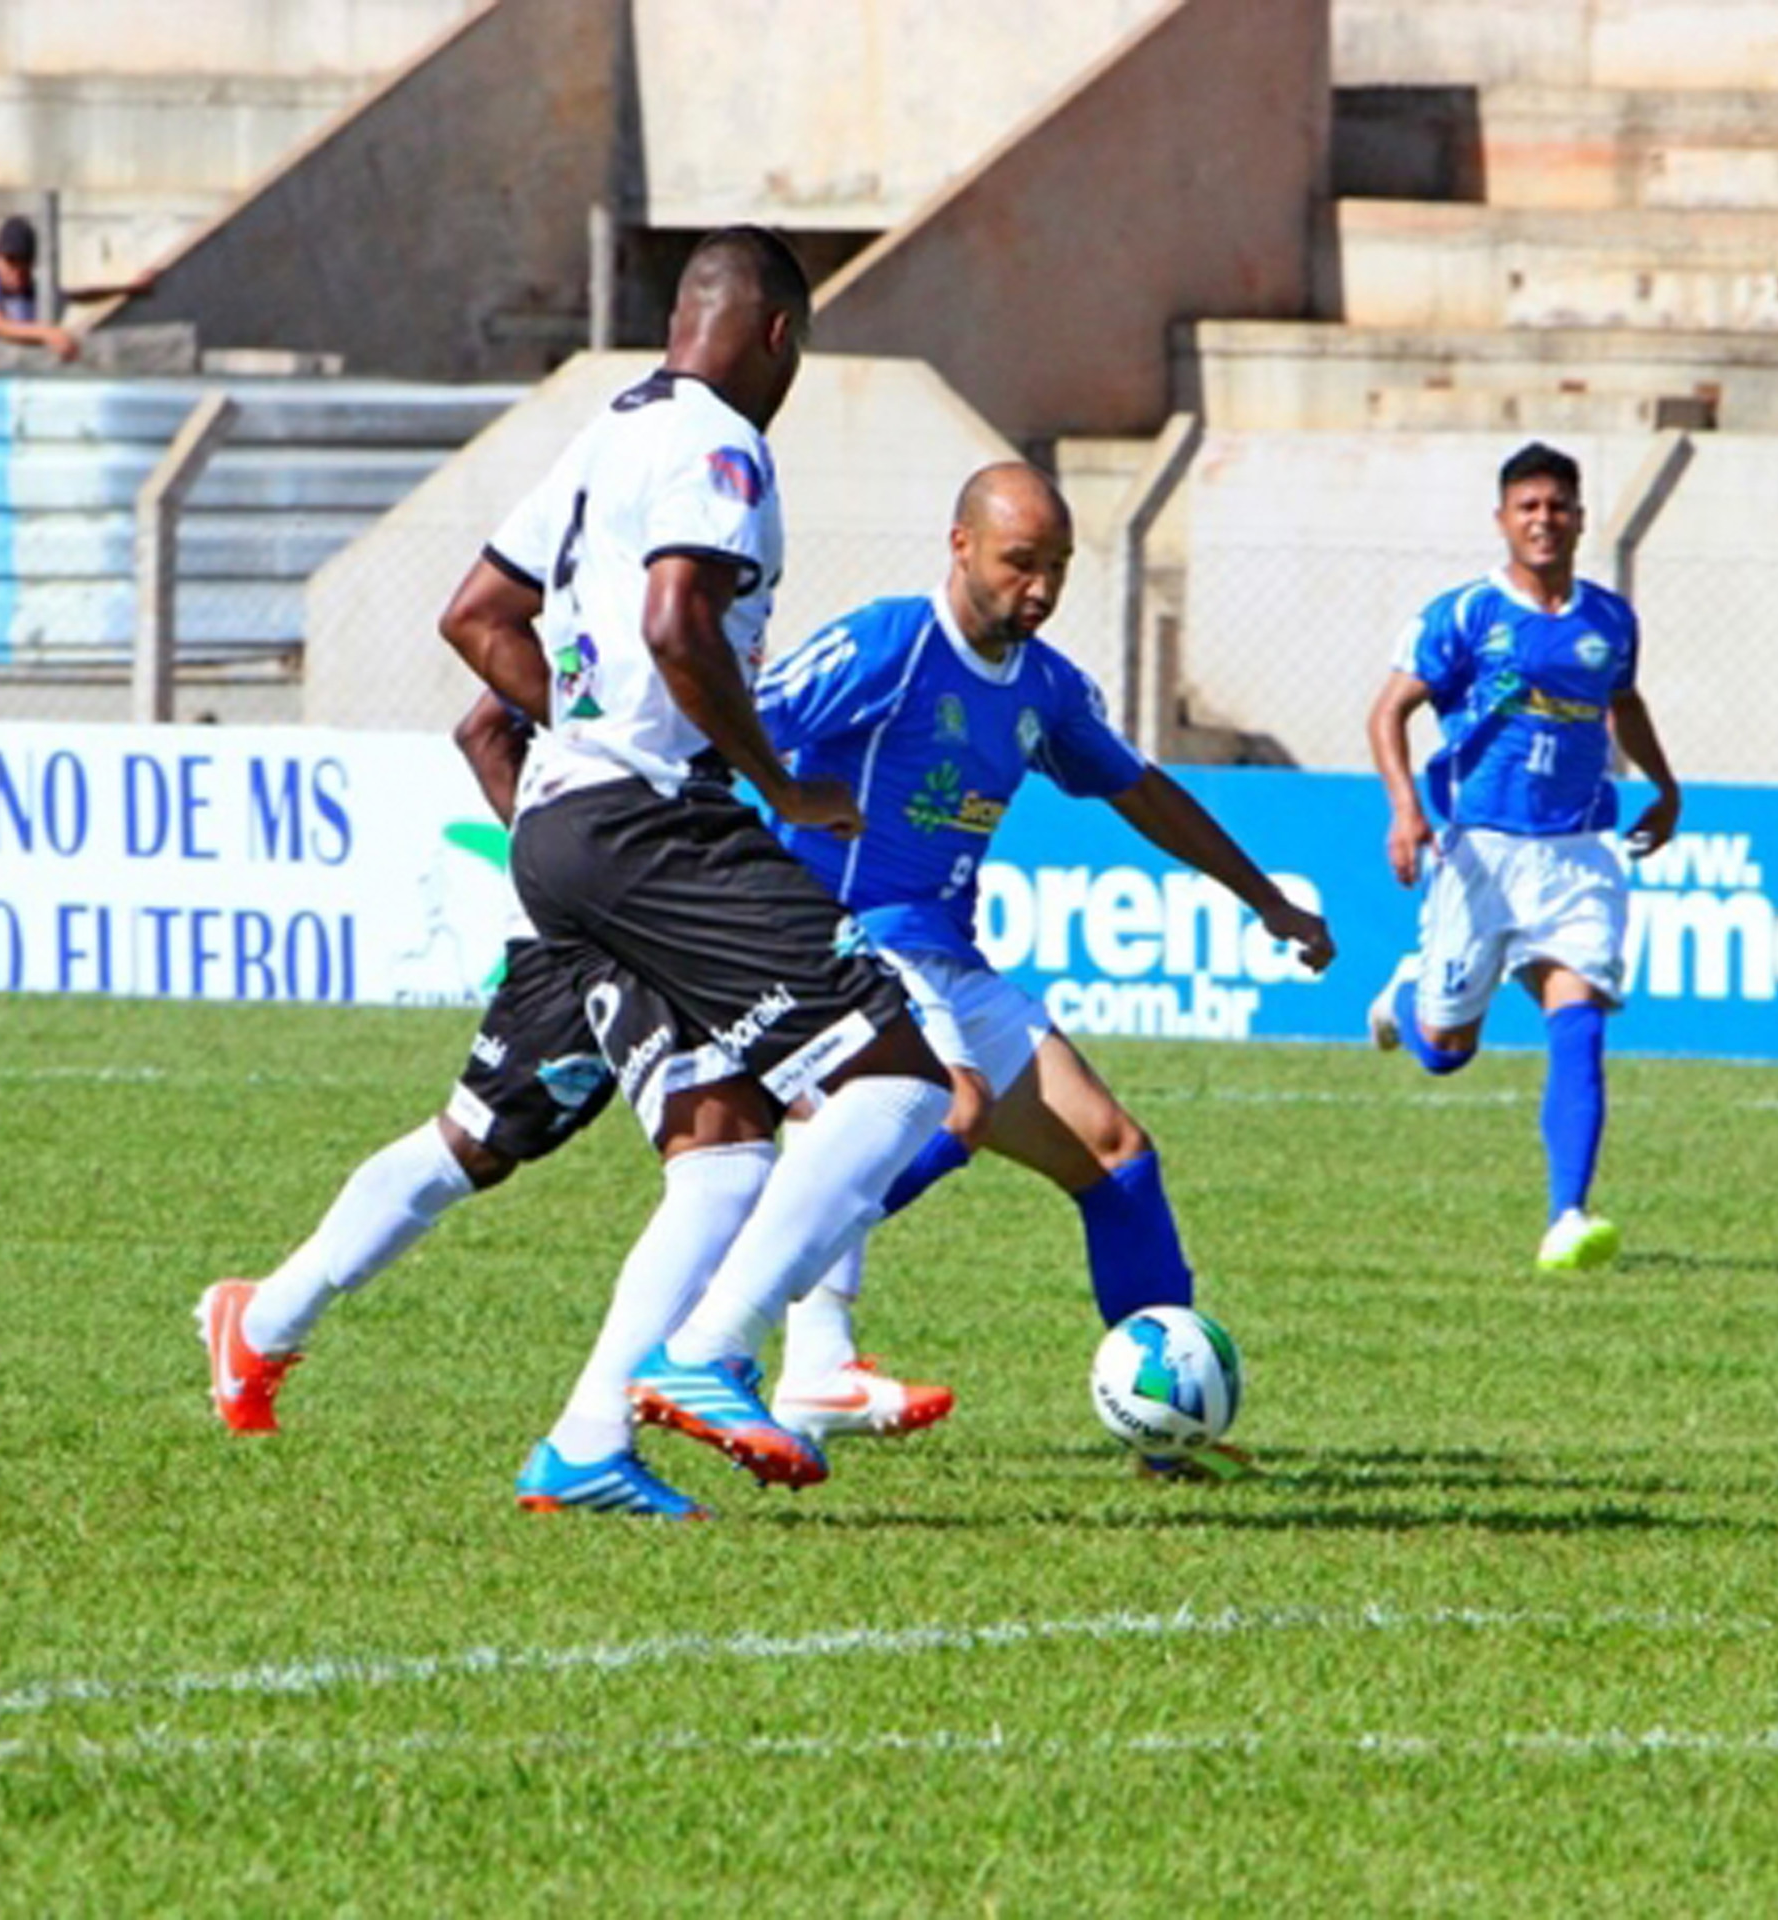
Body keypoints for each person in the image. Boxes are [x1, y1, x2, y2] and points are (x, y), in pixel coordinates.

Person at [437, 225, 953, 1515]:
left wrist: (584, 717)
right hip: (653, 825)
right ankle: (712, 1352)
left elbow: (473, 616)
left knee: (721, 1151)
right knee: (896, 1079)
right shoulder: (723, 440)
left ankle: (583, 1446)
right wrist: (775, 782)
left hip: (560, 827)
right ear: (778, 333)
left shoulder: (607, 431)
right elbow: (677, 623)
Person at [195, 697, 940, 1510]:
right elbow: (481, 723)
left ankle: (612, 1431)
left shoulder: (677, 620)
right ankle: (267, 1320)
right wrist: (578, 876)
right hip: (599, 906)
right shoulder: (634, 605)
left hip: (643, 898)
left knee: (743, 1148)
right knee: (485, 1141)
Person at [751, 462, 1335, 1478]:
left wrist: (1265, 898)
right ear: (960, 544)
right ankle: (756, 1302)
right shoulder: (887, 644)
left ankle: (1167, 1426)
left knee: (1115, 1153)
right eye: (1022, 562)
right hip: (842, 937)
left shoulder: (1046, 687)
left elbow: (1141, 793)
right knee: (952, 1111)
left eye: (1057, 566)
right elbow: (743, 728)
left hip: (944, 953)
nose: (1041, 588)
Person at [1362, 441, 1682, 1273]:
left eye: (1559, 506)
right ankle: (1406, 994)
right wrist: (1406, 810)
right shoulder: (1466, 615)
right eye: (1528, 506)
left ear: (1580, 517)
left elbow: (1624, 702)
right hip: (1481, 854)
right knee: (1443, 1050)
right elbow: (1388, 714)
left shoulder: (1610, 620)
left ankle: (1567, 1216)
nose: (1545, 520)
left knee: (1577, 1023)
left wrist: (1667, 786)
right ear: (1503, 519)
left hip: (1579, 854)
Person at [0, 216, 79, 360]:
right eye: (11, 260)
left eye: (25, 260)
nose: (18, 269)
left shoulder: (43, 297)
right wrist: (47, 333)